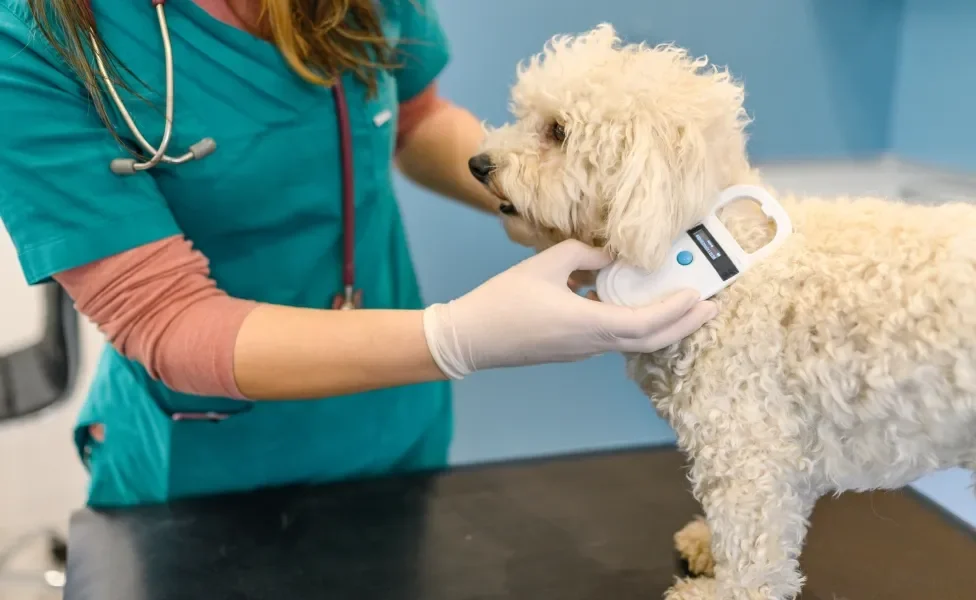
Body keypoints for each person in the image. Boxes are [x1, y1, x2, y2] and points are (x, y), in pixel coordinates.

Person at [0, 0, 718, 508]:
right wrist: (457, 337)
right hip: (207, 474)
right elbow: (163, 317)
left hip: (396, 430)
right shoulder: (34, 40)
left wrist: (541, 192)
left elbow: (414, 115)